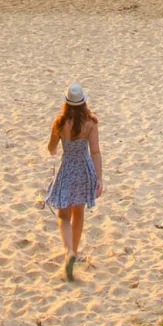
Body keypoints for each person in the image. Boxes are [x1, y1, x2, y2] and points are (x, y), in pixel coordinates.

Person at [45, 82, 103, 280]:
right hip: (84, 170)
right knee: (79, 213)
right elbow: (95, 151)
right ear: (84, 102)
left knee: (63, 215)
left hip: (67, 169)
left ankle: (68, 250)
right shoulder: (91, 123)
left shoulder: (60, 123)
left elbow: (51, 147)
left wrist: (54, 149)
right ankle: (75, 253)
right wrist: (99, 177)